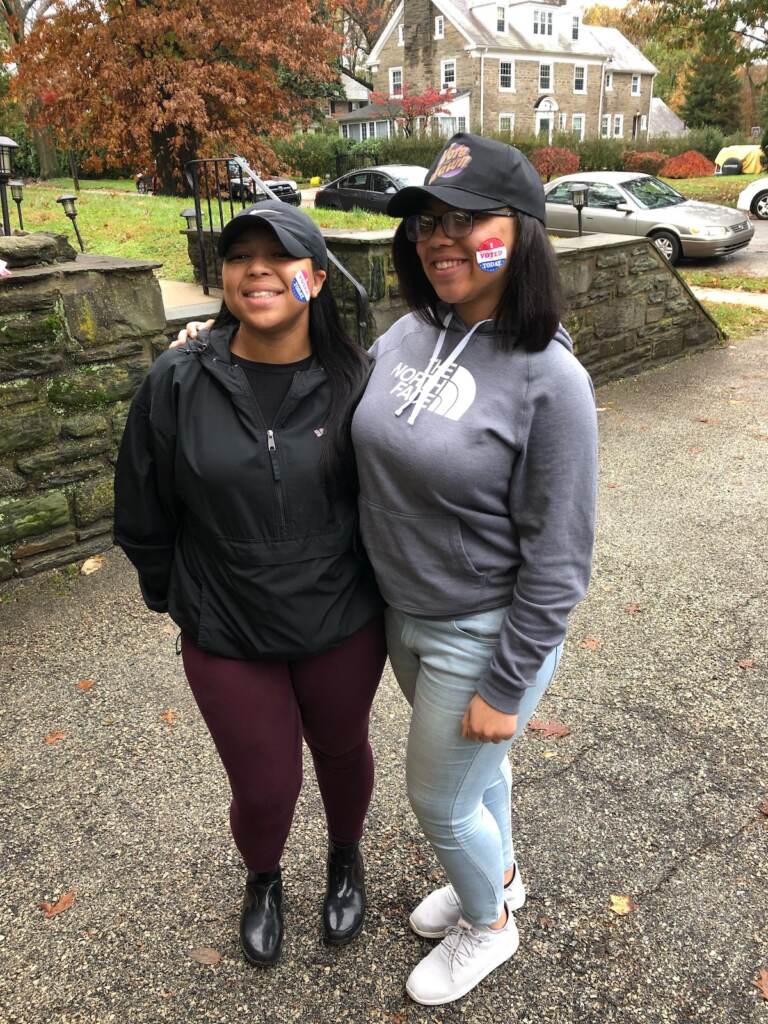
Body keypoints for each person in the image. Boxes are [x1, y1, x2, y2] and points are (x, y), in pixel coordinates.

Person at [350, 133, 598, 1005]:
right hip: (404, 614)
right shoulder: (409, 333)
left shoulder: (551, 380)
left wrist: (510, 680)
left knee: (440, 800)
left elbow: (562, 558)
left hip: (481, 631)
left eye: (466, 221)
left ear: (521, 231)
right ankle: (501, 875)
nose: (438, 239)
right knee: (476, 778)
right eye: (425, 222)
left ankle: (490, 925)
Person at [114, 201, 385, 967]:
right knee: (265, 786)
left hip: (341, 617)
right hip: (226, 626)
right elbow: (143, 505)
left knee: (340, 749)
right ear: (224, 278)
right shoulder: (179, 375)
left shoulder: (360, 379)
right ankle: (263, 879)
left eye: (280, 255)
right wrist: (179, 598)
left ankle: (344, 856)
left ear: (318, 279)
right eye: (239, 257)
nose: (257, 269)